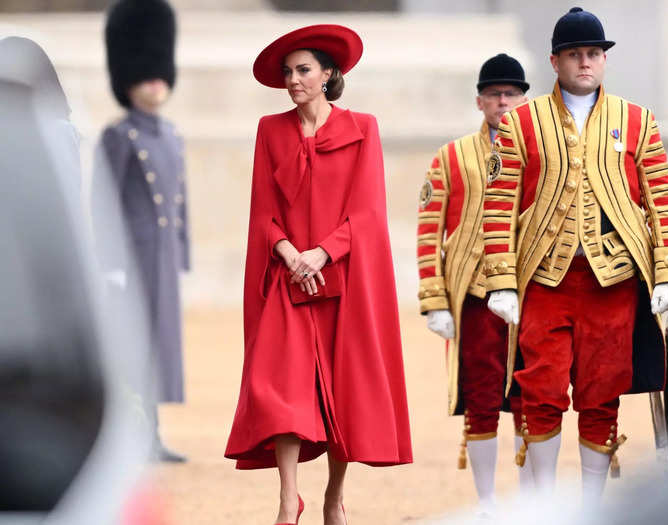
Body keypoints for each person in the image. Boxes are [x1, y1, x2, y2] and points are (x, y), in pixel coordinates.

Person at [482, 6, 668, 503]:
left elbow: (660, 196)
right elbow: (500, 201)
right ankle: (545, 503)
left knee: (602, 392)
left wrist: (667, 272)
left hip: (612, 279)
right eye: (575, 54)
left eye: (593, 53)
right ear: (555, 61)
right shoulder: (522, 122)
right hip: (544, 279)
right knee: (542, 389)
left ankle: (592, 507)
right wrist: (502, 279)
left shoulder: (637, 120)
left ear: (603, 59)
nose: (586, 62)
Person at [224, 24, 412, 525]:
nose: (293, 80)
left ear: (328, 74)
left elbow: (368, 212)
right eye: (288, 72)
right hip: (288, 279)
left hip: (342, 281)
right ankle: (289, 500)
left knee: (341, 399)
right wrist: (290, 255)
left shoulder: (363, 127)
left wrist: (322, 255)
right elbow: (262, 210)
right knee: (280, 388)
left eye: (303, 70)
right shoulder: (270, 130)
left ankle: (332, 495)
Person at [416, 53, 534, 513]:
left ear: (525, 100)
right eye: (494, 95)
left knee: (534, 393)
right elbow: (430, 228)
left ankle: (531, 501)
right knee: (480, 396)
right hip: (472, 294)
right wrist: (434, 300)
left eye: (511, 94)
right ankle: (487, 502)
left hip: (530, 288)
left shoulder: (542, 151)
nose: (503, 102)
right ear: (479, 101)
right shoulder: (451, 156)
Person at [94, 0, 190, 463]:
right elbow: (104, 200)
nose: (155, 82)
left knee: (161, 346)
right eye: (145, 73)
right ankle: (131, 434)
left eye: (159, 73)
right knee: (134, 344)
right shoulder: (120, 137)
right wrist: (109, 264)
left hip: (163, 258)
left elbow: (180, 203)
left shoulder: (172, 134)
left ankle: (152, 432)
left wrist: (182, 254)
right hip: (131, 257)